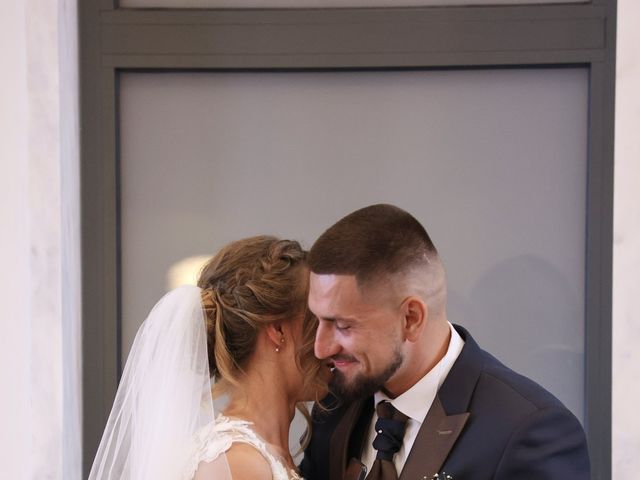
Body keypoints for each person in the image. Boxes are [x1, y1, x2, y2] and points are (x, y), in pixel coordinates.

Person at [300, 204, 590, 480]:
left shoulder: (527, 431)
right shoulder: (335, 405)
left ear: (411, 318)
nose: (321, 348)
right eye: (318, 320)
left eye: (343, 326)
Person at [89, 236, 328, 480]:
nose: (330, 342)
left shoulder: (261, 455)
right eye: (317, 320)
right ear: (277, 331)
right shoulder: (238, 464)